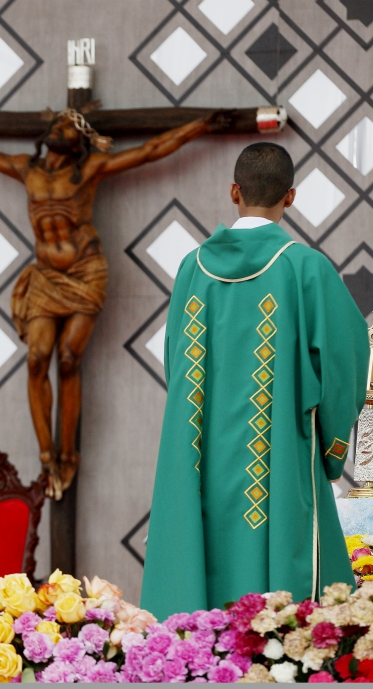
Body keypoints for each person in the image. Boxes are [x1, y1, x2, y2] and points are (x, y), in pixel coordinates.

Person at [0, 108, 231, 498]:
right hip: (46, 278)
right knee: (35, 358)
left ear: (79, 143)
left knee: (67, 359)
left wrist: (202, 124)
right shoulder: (25, 169)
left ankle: (69, 453)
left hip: (86, 271)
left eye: (70, 127)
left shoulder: (90, 169)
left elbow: (151, 150)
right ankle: (47, 454)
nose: (63, 129)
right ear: (48, 133)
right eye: (59, 124)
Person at [142, 142, 369, 618]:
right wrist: (329, 448)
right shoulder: (307, 268)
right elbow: (347, 361)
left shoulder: (192, 268)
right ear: (290, 197)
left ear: (233, 191)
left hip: (199, 455)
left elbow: (176, 365)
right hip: (281, 455)